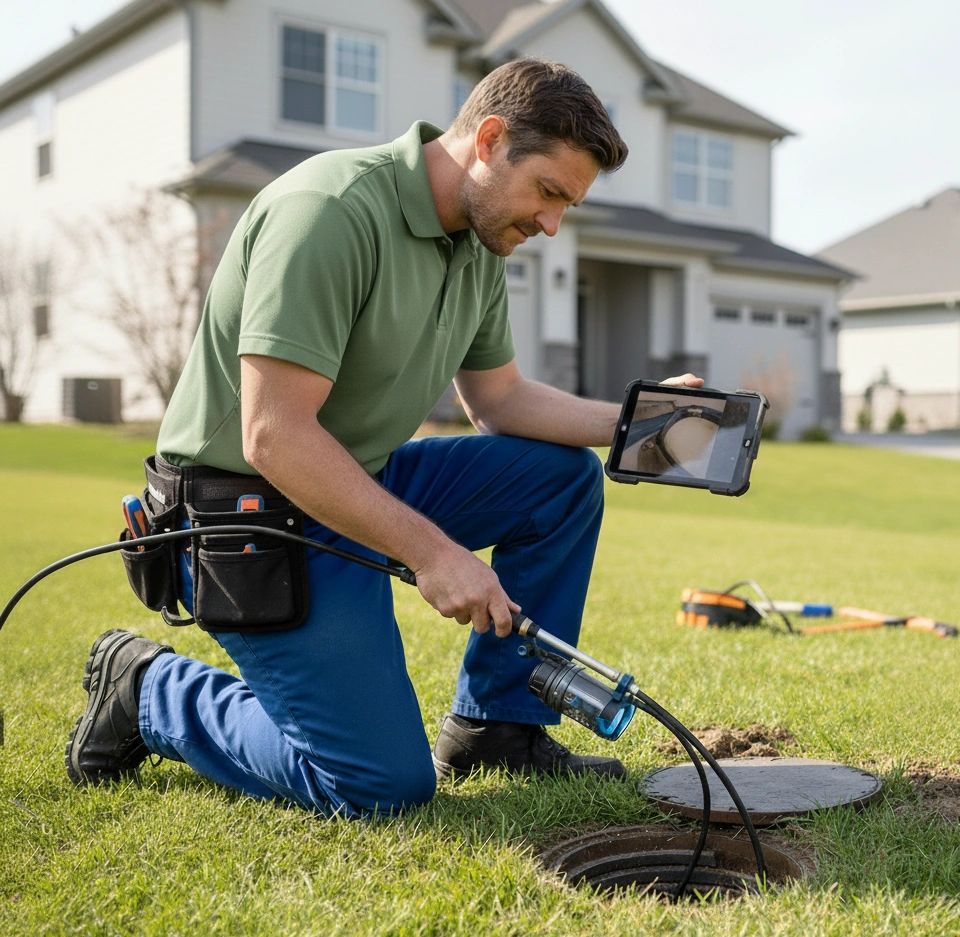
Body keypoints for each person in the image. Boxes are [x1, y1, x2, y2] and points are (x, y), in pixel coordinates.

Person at [65, 59, 703, 817]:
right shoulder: (329, 211)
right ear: (490, 141)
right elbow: (274, 436)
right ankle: (149, 689)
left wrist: (640, 422)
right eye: (549, 191)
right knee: (379, 785)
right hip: (248, 515)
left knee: (560, 480)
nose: (552, 223)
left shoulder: (479, 243)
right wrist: (432, 552)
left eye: (567, 203)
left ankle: (498, 727)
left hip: (355, 480)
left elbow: (500, 400)